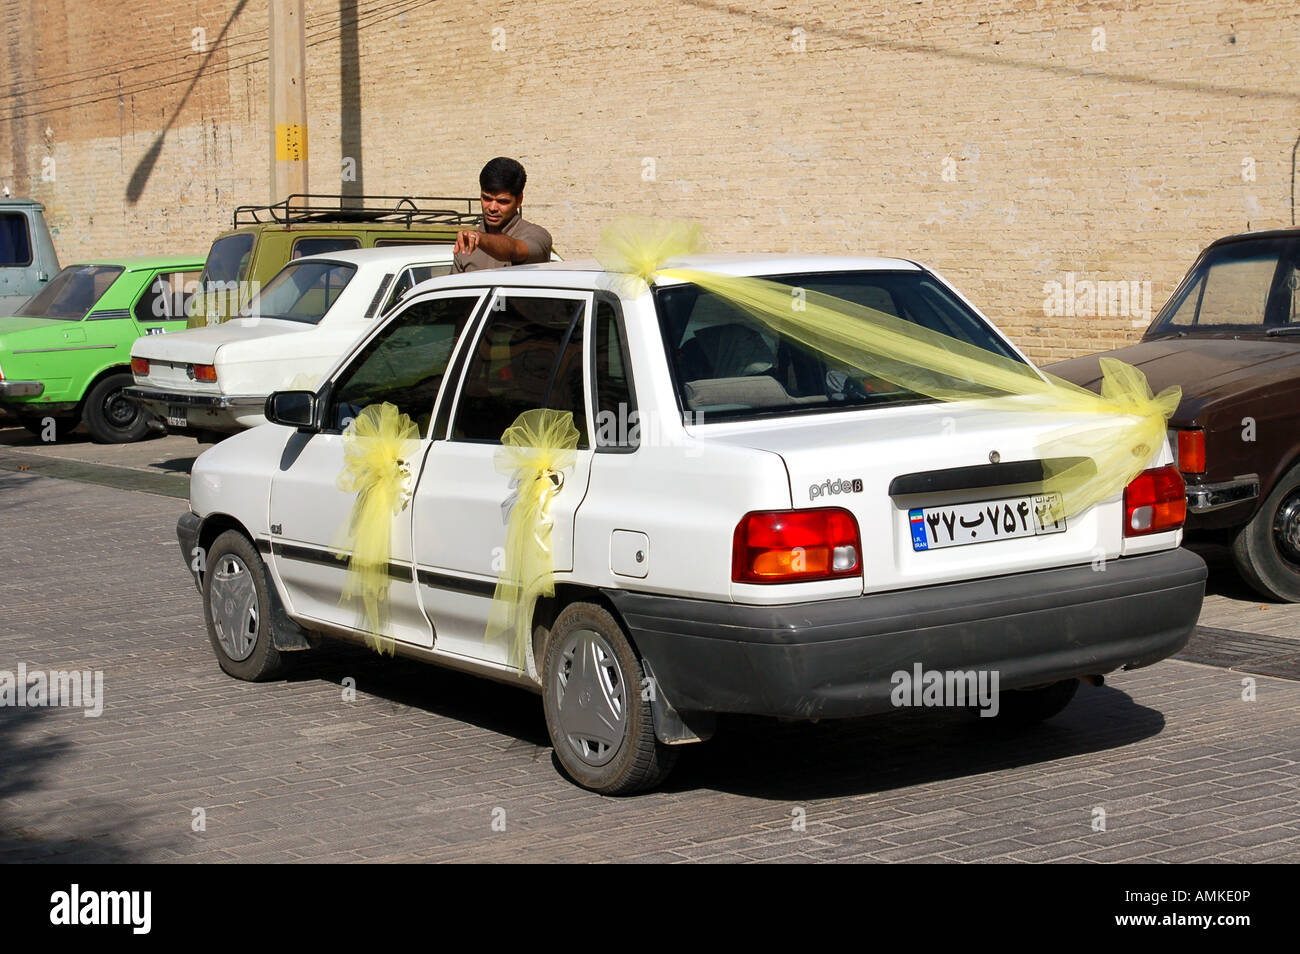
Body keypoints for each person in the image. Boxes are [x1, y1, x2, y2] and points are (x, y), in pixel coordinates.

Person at [452, 157, 552, 272]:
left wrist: (479, 238)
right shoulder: (466, 245)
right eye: (487, 199)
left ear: (519, 200)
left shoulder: (537, 236)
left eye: (503, 201)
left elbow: (515, 249)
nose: (492, 208)